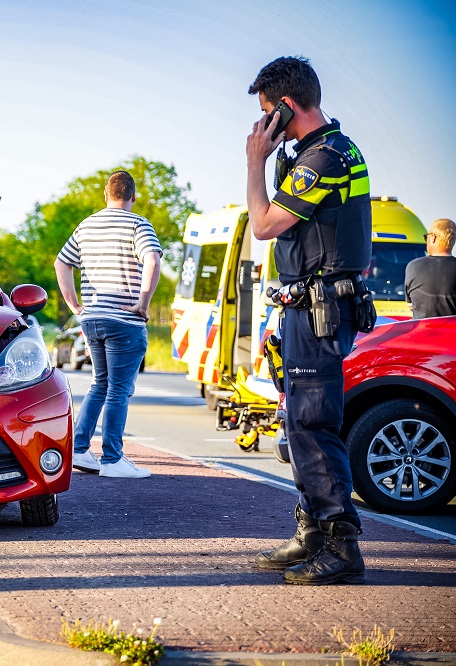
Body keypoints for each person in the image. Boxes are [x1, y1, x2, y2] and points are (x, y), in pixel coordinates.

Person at [246, 56, 372, 585]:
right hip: (312, 305)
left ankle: (341, 543)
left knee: (314, 423)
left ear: (285, 107)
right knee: (301, 421)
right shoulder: (324, 152)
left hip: (320, 308)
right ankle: (314, 533)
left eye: (266, 114)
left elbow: (263, 225)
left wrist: (255, 161)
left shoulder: (323, 159)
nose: (260, 126)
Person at [54, 170, 162, 479]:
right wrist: (143, 303)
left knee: (99, 383)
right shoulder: (138, 224)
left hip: (92, 318)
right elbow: (152, 260)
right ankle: (113, 458)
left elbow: (61, 263)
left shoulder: (87, 225)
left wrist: (75, 304)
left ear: (106, 195)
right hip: (124, 320)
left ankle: (79, 449)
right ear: (133, 196)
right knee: (119, 389)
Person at [405, 218, 456, 319]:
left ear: (433, 237)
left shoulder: (413, 266)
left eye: (426, 237)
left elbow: (411, 305)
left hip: (422, 333)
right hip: (451, 333)